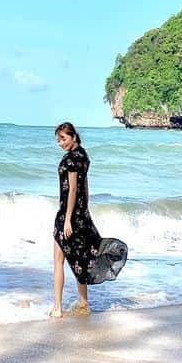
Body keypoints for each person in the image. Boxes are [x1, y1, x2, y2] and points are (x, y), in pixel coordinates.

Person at [50, 122, 126, 318]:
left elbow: (74, 189)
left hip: (68, 214)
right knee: (80, 259)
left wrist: (67, 220)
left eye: (63, 138)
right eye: (58, 140)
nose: (61, 143)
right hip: (81, 214)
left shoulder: (72, 159)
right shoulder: (83, 155)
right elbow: (85, 188)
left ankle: (57, 308)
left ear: (73, 136)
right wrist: (84, 211)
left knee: (58, 261)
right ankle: (84, 304)